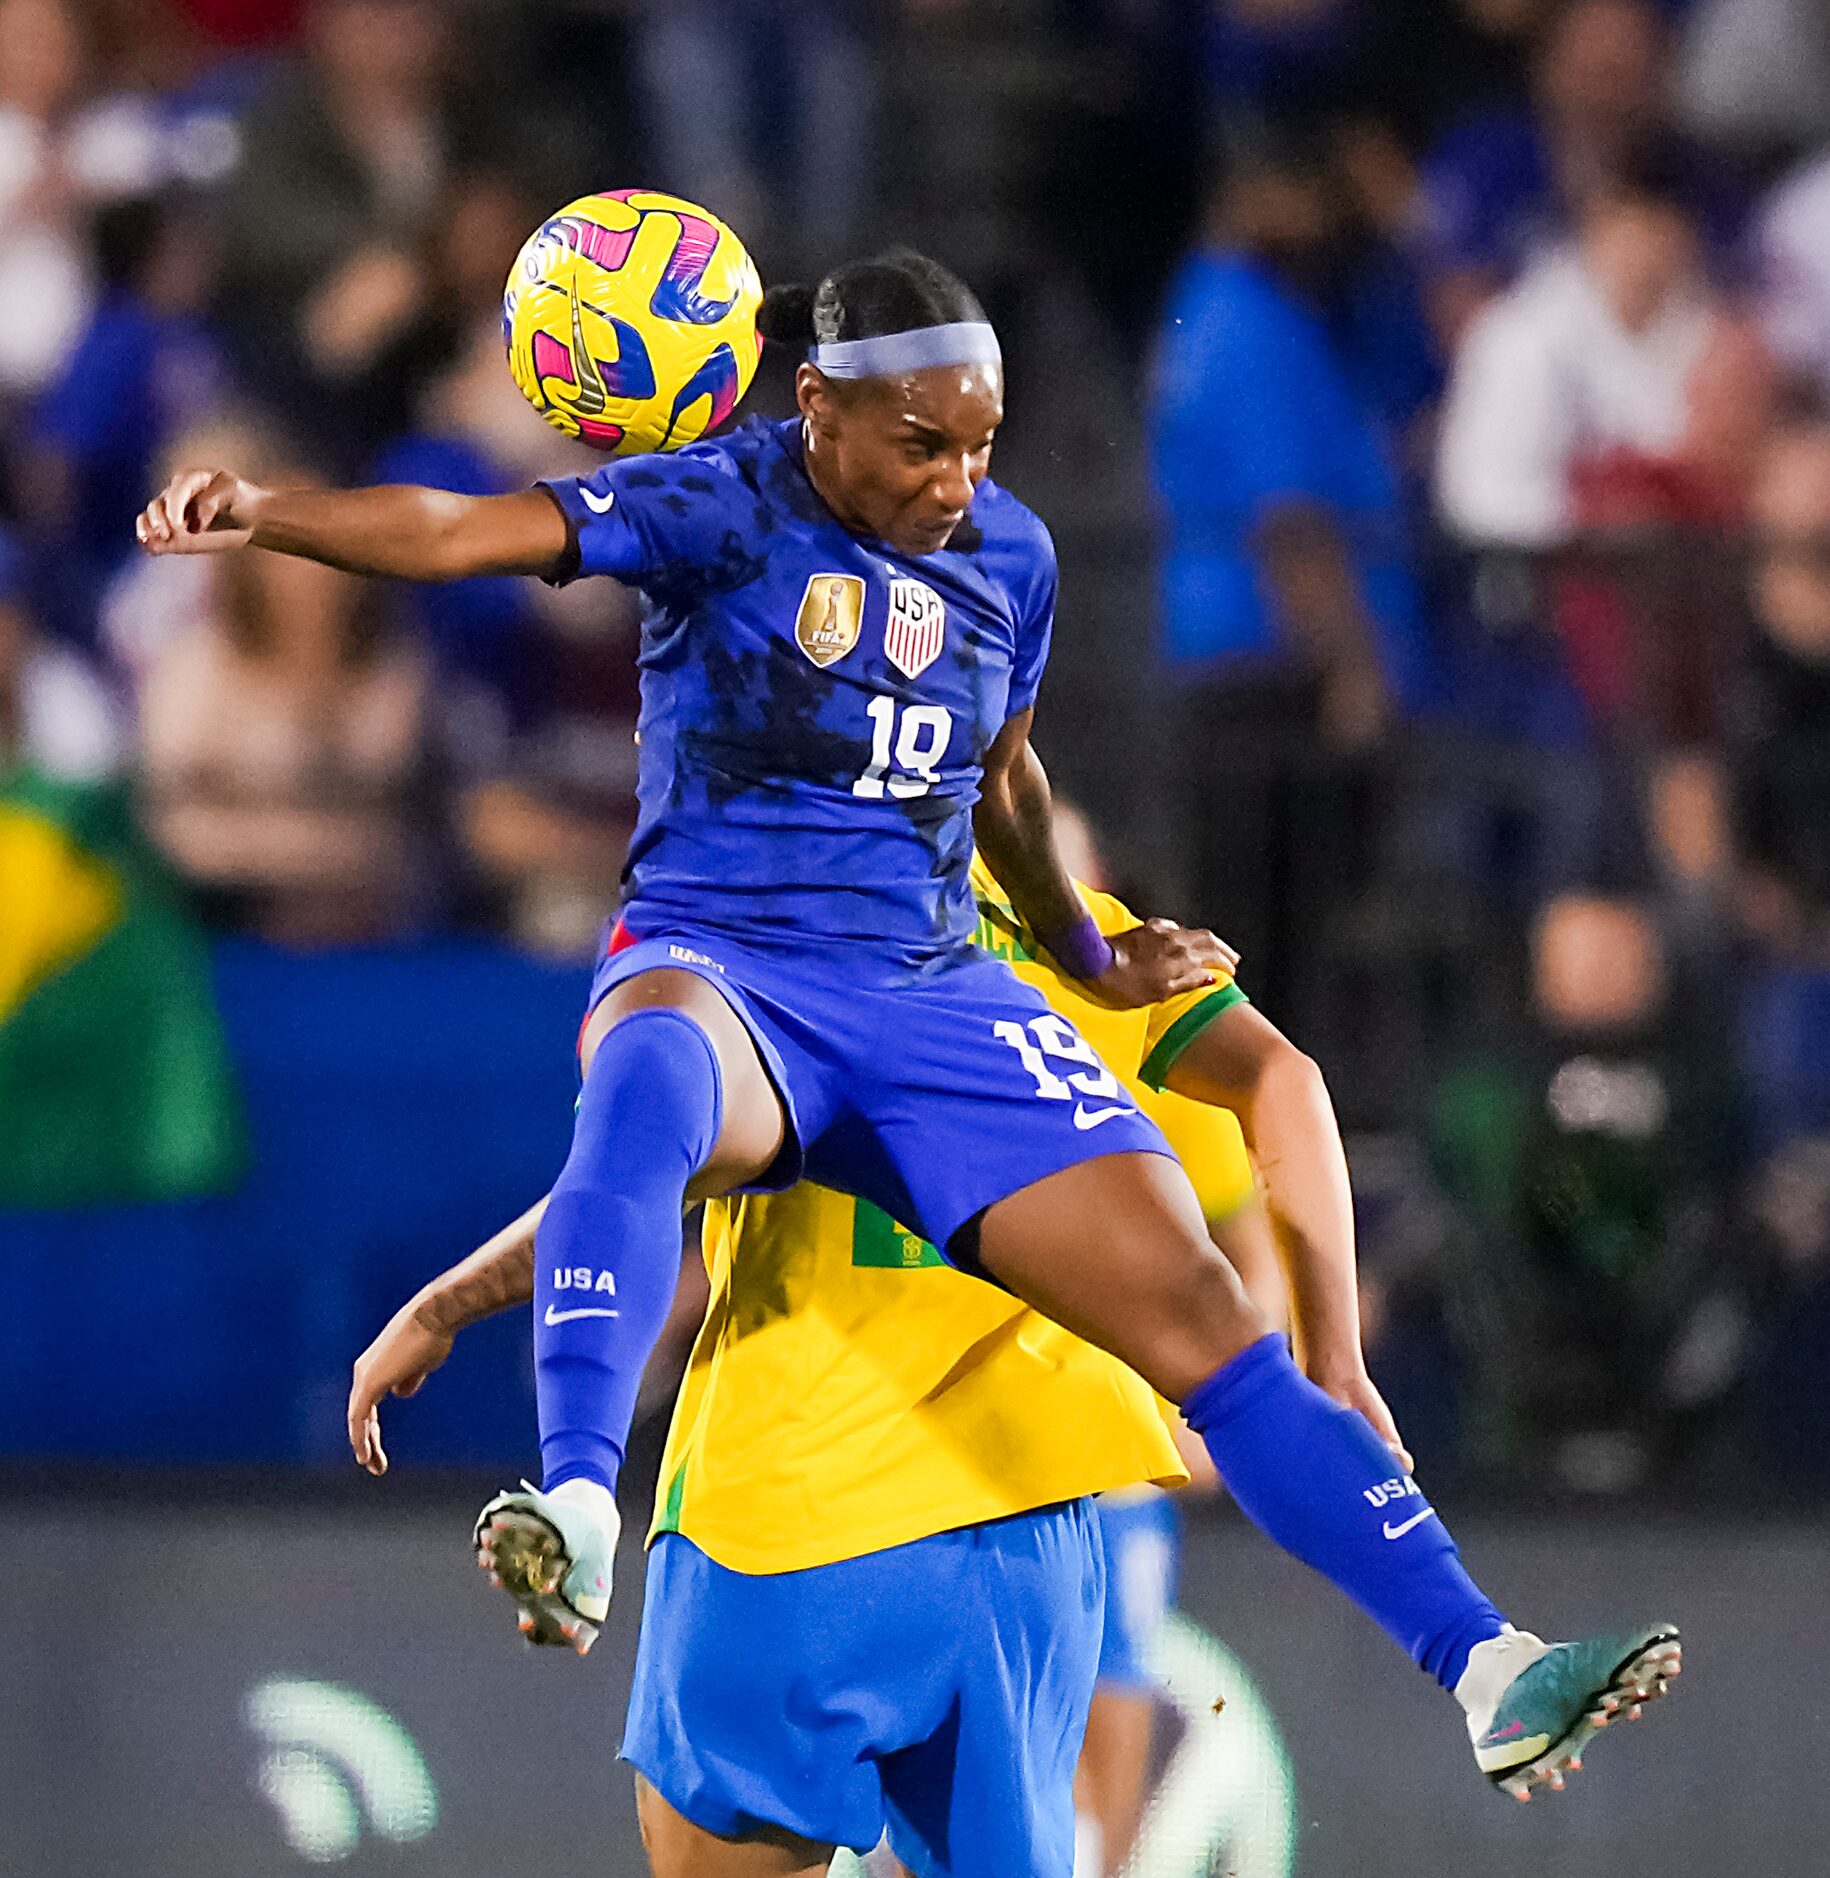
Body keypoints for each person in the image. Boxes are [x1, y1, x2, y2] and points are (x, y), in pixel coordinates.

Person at [141, 246, 1678, 1821]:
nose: (960, 478)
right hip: (732, 959)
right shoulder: (716, 500)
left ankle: (1486, 1665)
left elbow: (1004, 780)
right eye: (923, 445)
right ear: (815, 408)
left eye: (982, 442)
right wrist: (271, 510)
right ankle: (580, 1499)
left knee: (1207, 1314)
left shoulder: (1007, 555)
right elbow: (465, 531)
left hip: (927, 986)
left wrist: (1083, 944)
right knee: (649, 1066)